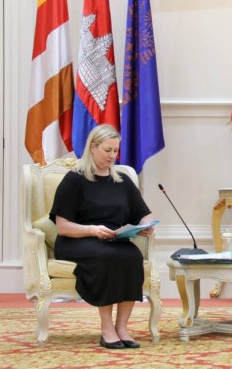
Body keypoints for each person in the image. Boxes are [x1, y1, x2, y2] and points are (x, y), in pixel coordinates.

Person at [49, 124, 156, 349]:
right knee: (107, 257)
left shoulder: (122, 181)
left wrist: (146, 226)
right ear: (93, 147)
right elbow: (62, 226)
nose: (112, 155)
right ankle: (107, 328)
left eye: (115, 151)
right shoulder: (74, 180)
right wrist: (92, 230)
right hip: (77, 240)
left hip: (113, 240)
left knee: (132, 256)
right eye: (107, 150)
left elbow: (144, 213)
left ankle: (122, 328)